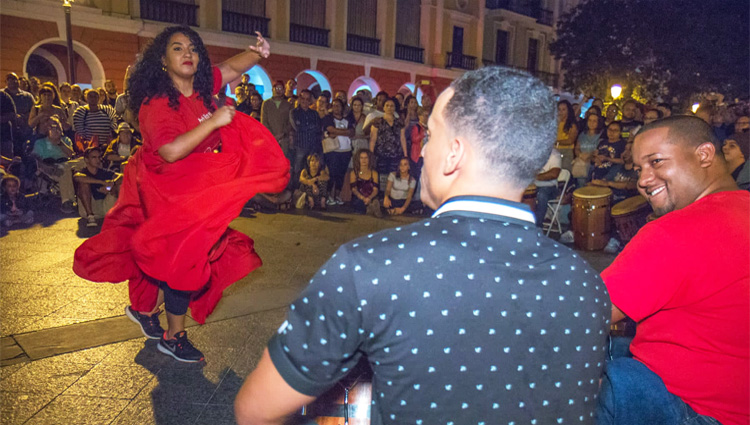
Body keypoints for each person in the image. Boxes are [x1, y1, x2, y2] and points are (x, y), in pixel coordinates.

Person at [235, 66, 610, 425]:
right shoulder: (588, 285)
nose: (423, 151)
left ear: (454, 154)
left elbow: (256, 409)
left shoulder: (369, 266)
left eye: (430, 136)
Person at [73, 26, 288, 363]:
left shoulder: (202, 88)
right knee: (184, 258)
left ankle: (147, 309)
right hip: (164, 186)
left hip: (193, 185)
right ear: (163, 59)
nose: (187, 53)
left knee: (183, 255)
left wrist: (257, 54)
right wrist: (214, 122)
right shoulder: (157, 104)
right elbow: (171, 151)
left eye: (192, 48)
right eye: (177, 48)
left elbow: (231, 69)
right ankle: (174, 336)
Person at [597, 115, 749, 425]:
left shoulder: (677, 231)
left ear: (704, 154)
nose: (643, 179)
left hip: (695, 410)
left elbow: (580, 313)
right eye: (639, 169)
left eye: (656, 162)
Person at [73, 146, 121, 227]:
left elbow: (121, 176)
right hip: (90, 207)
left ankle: (122, 215)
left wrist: (110, 186)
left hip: (105, 206)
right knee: (83, 184)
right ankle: (90, 217)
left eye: (99, 157)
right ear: (86, 160)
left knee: (119, 184)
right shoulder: (83, 171)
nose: (97, 160)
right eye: (94, 157)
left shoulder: (103, 172)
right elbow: (77, 177)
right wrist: (102, 182)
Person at [369, 97, 406, 191]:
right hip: (381, 154)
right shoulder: (378, 121)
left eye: (392, 106)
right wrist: (371, 154)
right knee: (381, 177)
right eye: (387, 106)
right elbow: (373, 139)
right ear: (384, 107)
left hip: (396, 154)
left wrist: (405, 154)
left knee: (394, 176)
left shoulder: (399, 122)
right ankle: (381, 197)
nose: (389, 108)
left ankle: (391, 197)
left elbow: (402, 138)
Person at [321, 98, 353, 205]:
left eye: (338, 105)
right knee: (332, 173)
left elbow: (351, 132)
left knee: (341, 174)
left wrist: (337, 132)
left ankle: (338, 195)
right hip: (333, 150)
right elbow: (330, 130)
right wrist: (345, 132)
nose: (336, 108)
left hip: (346, 150)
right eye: (334, 105)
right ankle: (330, 195)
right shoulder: (328, 118)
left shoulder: (348, 119)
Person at [290, 89, 322, 189]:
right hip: (300, 145)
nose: (305, 101)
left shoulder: (314, 114)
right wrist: (311, 127)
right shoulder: (294, 112)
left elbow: (318, 128)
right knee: (298, 170)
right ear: (299, 99)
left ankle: (308, 193)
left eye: (307, 99)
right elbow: (297, 127)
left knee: (311, 170)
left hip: (313, 146)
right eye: (303, 98)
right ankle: (295, 192)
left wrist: (307, 127)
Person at [260, 80, 294, 161]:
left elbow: (290, 122)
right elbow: (264, 121)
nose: (279, 90)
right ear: (273, 89)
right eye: (277, 88)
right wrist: (272, 136)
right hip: (270, 138)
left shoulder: (287, 105)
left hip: (283, 139)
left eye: (281, 88)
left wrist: (282, 134)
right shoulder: (266, 104)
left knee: (282, 161)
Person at [533, 148, 562, 226]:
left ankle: (537, 227)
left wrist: (534, 177)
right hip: (533, 187)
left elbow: (554, 174)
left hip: (549, 187)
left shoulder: (554, 154)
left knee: (541, 194)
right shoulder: (532, 152)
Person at [348, 148, 381, 216]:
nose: (364, 160)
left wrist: (369, 198)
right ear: (358, 159)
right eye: (361, 158)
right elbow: (354, 189)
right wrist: (363, 198)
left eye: (366, 158)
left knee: (375, 201)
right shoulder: (354, 173)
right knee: (359, 204)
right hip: (359, 197)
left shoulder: (374, 173)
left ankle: (372, 206)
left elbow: (375, 190)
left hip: (371, 196)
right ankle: (370, 208)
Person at [556, 100, 579, 171]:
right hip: (554, 150)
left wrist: (556, 142)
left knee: (563, 173)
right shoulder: (555, 123)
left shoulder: (572, 125)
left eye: (563, 109)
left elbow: (570, 141)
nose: (561, 112)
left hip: (565, 152)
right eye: (559, 109)